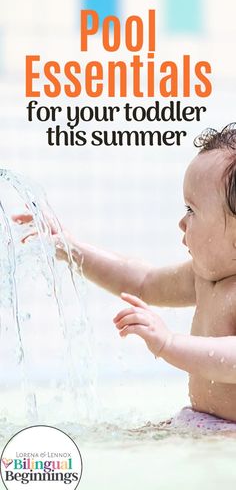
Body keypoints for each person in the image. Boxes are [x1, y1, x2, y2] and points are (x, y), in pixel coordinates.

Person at [13, 123, 236, 433]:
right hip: (200, 421)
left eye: (192, 210)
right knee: (113, 436)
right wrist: (69, 247)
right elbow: (141, 281)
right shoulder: (202, 276)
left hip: (229, 438)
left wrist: (170, 343)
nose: (181, 223)